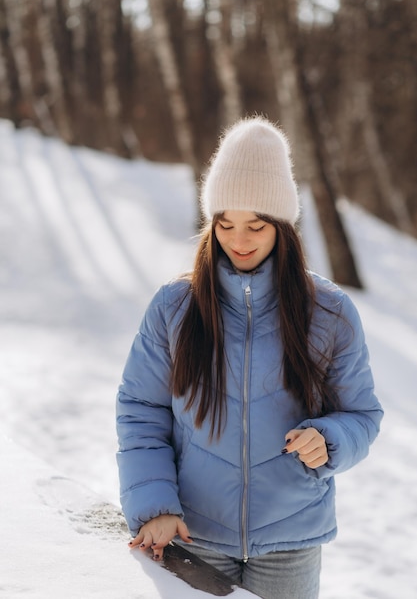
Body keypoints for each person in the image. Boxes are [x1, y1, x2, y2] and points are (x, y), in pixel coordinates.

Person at [116, 116, 383, 599]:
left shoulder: (329, 311)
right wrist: (155, 506)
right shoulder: (175, 307)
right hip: (190, 533)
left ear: (282, 225)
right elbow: (142, 410)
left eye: (256, 225)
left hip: (290, 543)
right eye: (225, 223)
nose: (239, 240)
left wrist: (332, 439)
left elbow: (362, 413)